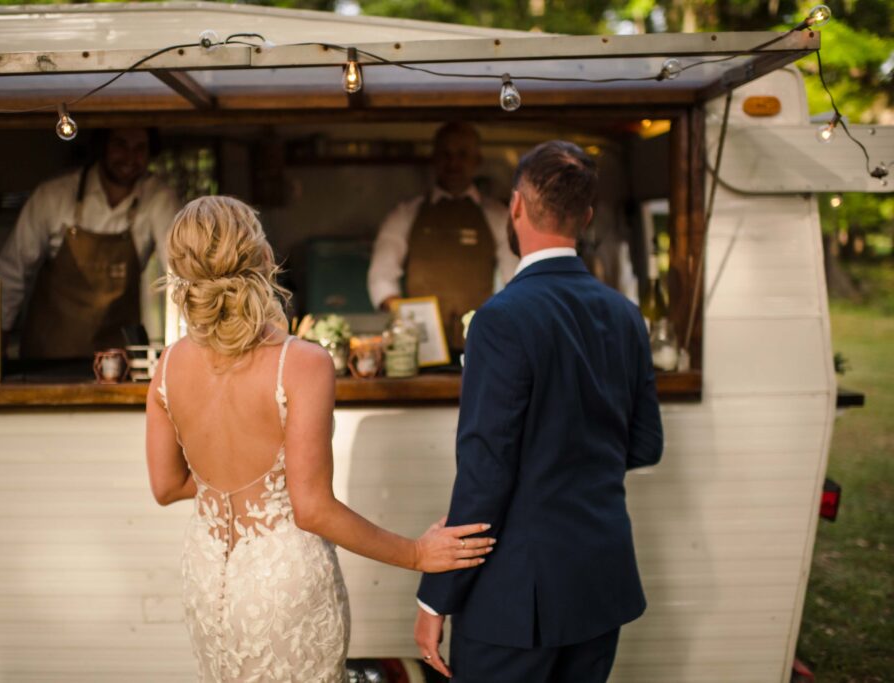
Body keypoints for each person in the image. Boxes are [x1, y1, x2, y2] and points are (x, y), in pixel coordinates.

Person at [145, 196, 496, 682]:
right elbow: (310, 508)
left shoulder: (167, 365)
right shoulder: (301, 363)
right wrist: (416, 554)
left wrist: (237, 489)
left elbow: (166, 486)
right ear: (264, 258)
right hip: (282, 582)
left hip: (209, 578)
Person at [414, 141, 664, 682]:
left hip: (515, 600)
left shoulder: (499, 320)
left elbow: (485, 474)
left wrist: (436, 599)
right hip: (600, 583)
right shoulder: (626, 316)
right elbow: (646, 445)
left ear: (517, 207)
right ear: (587, 216)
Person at [0, 128, 180, 359]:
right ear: (102, 146)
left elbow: (179, 271)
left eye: (140, 148)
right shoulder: (53, 196)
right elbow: (14, 270)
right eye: (120, 145)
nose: (130, 157)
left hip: (117, 359)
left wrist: (186, 344)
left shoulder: (158, 198)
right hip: (49, 353)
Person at [367, 122, 518, 347]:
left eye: (462, 154)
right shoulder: (405, 214)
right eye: (446, 155)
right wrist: (409, 320)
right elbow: (381, 278)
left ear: (477, 160)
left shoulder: (498, 215)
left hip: (481, 342)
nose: (453, 163)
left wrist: (497, 320)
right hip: (421, 346)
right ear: (435, 159)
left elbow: (515, 279)